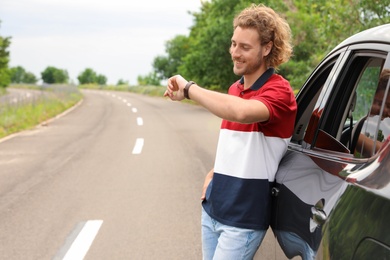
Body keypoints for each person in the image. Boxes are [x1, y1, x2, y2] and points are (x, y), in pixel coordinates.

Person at [164, 4, 297, 260]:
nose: (235, 52)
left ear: (267, 48)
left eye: (245, 47)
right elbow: (240, 146)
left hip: (242, 220)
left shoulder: (279, 92)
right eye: (234, 44)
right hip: (214, 209)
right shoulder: (234, 90)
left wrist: (190, 89)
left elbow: (242, 113)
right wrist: (215, 173)